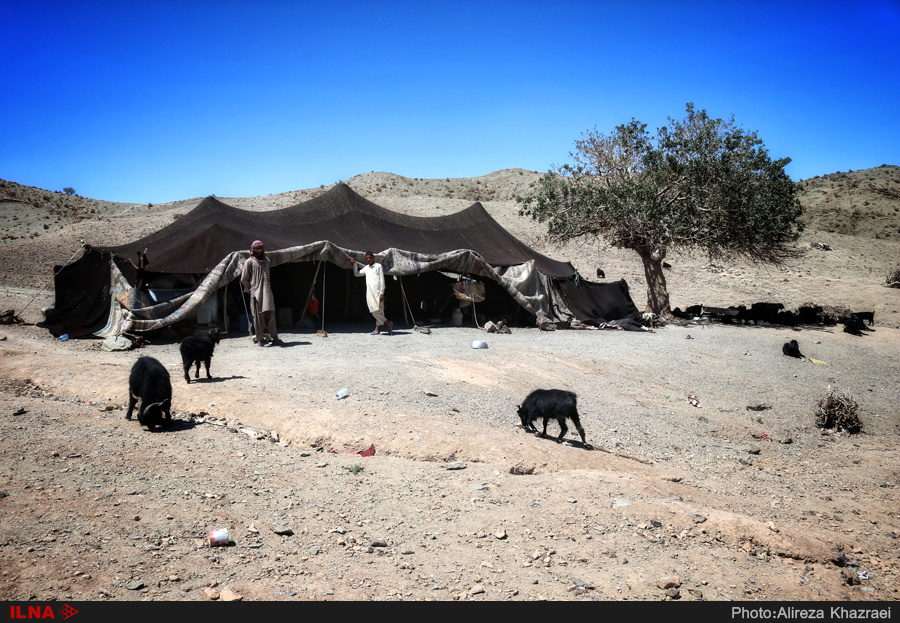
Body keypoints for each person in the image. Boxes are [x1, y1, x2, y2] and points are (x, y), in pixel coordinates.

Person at [241, 240, 281, 346]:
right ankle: (260, 339)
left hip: (267, 291)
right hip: (256, 293)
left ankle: (275, 337)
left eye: (261, 248)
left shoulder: (267, 260)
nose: (259, 250)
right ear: (253, 250)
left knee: (271, 315)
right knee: (258, 317)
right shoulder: (249, 261)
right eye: (257, 249)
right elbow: (244, 278)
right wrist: (249, 289)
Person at [349, 251, 393, 335]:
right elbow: (357, 274)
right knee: (373, 309)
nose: (368, 259)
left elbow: (381, 279)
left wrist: (382, 293)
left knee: (379, 309)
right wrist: (355, 264)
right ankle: (388, 323)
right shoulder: (366, 268)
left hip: (378, 291)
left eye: (369, 258)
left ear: (373, 258)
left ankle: (377, 329)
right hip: (369, 292)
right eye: (366, 258)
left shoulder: (378, 266)